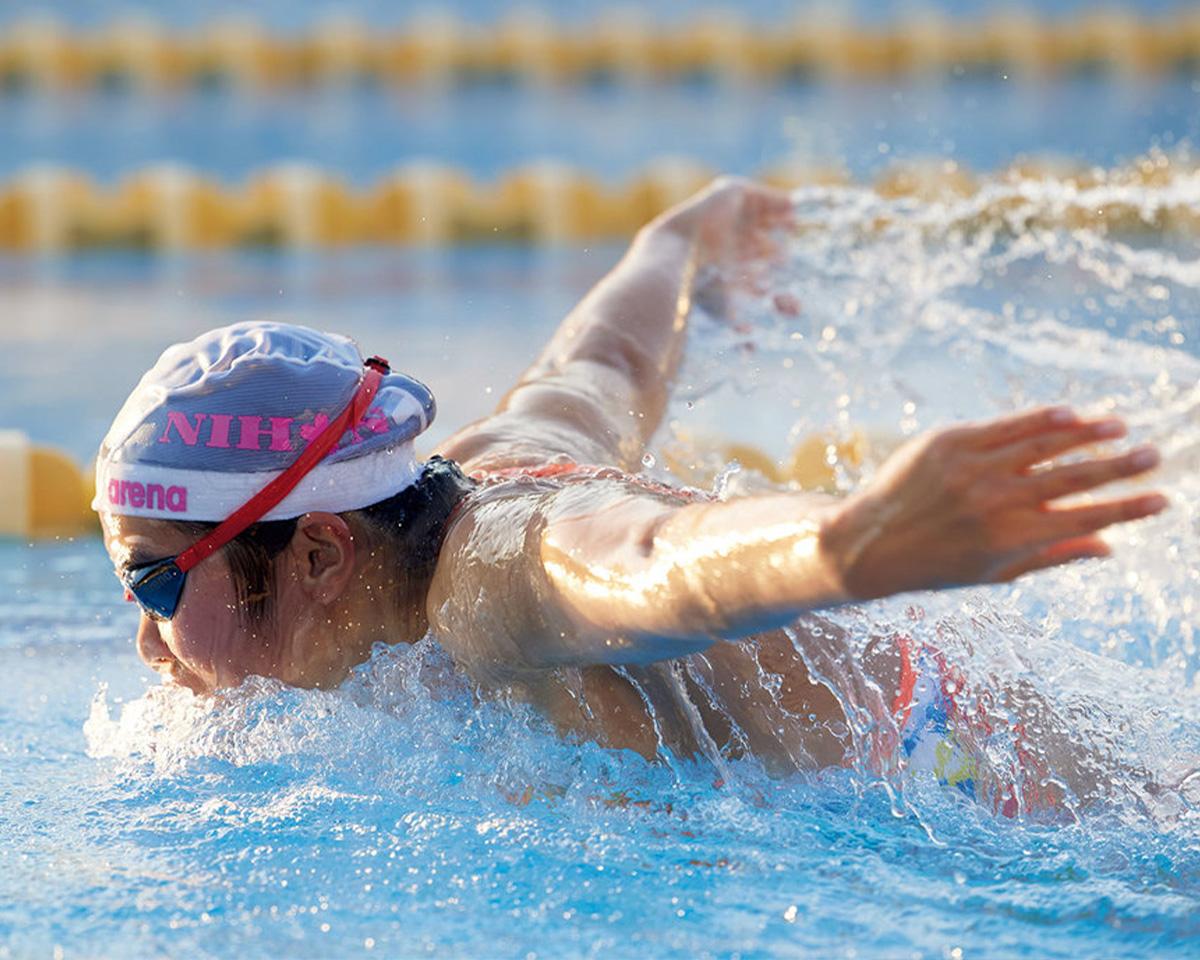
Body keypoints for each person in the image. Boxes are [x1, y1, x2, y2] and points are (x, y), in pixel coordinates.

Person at [96, 177, 1167, 815]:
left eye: (153, 584)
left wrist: (855, 544)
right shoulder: (494, 455)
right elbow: (603, 356)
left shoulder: (496, 573)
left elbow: (650, 563)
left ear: (321, 554)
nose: (146, 644)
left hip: (998, 797)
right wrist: (684, 240)